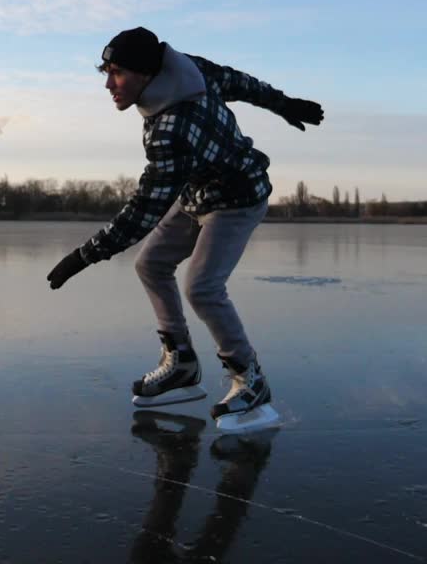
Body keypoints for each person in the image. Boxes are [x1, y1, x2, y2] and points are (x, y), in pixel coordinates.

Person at [47, 26, 323, 425]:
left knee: (203, 287)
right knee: (150, 264)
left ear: (145, 73)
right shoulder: (189, 71)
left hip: (239, 198)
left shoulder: (171, 127)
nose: (108, 84)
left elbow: (145, 209)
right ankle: (181, 362)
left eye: (117, 73)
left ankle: (250, 379)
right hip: (197, 194)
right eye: (105, 72)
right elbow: (239, 82)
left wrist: (82, 256)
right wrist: (283, 105)